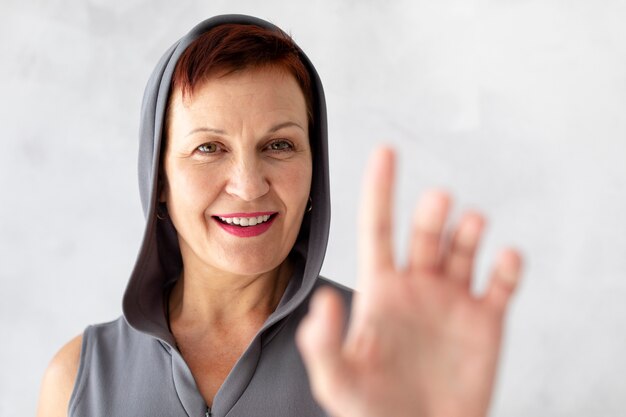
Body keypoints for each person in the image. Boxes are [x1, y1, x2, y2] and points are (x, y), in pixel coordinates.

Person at [36, 14, 522, 417]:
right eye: (209, 147)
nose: (248, 185)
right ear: (158, 178)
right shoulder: (77, 381)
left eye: (279, 145)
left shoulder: (383, 351)